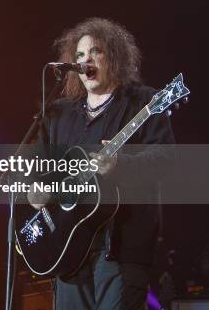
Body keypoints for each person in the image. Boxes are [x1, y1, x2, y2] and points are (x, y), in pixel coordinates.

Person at [30, 18, 175, 309]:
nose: (85, 61)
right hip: (68, 250)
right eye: (79, 56)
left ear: (114, 57)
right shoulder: (59, 114)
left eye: (95, 51)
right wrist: (36, 191)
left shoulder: (143, 102)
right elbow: (38, 169)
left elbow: (166, 160)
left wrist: (121, 165)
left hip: (120, 251)